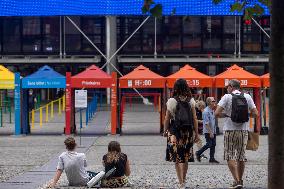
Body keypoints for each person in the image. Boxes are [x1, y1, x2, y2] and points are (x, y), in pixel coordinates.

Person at [215, 79, 258, 189]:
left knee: (229, 155)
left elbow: (216, 113)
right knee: (241, 156)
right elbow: (255, 114)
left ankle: (236, 180)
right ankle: (240, 181)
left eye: (227, 87)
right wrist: (245, 115)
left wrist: (227, 115)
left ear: (231, 86)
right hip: (243, 130)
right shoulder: (247, 97)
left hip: (229, 130)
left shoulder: (226, 97)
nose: (226, 88)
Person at [164, 78, 199, 189]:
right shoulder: (191, 101)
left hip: (174, 132)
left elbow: (167, 118)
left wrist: (165, 131)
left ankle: (180, 183)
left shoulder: (171, 101)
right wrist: (196, 133)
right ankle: (184, 179)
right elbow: (194, 118)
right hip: (187, 132)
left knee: (177, 157)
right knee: (186, 156)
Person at [196, 97, 219, 164]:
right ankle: (198, 153)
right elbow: (206, 123)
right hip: (208, 131)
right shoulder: (206, 112)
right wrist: (210, 132)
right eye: (213, 101)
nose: (214, 102)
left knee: (213, 144)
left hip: (213, 130)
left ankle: (212, 158)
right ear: (209, 103)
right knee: (209, 144)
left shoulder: (212, 110)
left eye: (214, 100)